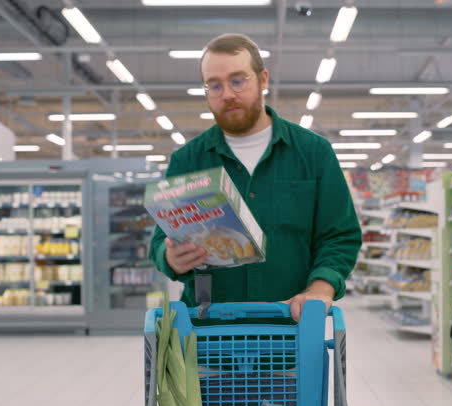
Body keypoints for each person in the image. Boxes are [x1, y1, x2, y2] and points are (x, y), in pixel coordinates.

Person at [149, 33, 362, 321]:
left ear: (262, 80)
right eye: (215, 85)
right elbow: (161, 241)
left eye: (238, 80)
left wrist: (320, 290)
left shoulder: (313, 152)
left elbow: (340, 235)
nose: (227, 93)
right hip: (208, 336)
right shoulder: (188, 160)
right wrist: (169, 257)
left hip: (290, 332)